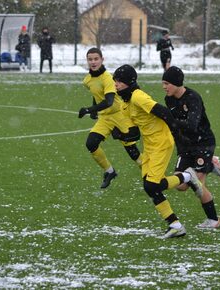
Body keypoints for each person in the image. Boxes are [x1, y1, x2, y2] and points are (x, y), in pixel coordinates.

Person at [112, 64, 203, 239]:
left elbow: (163, 113)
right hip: (150, 145)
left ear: (129, 82)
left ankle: (187, 177)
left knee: (151, 186)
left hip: (161, 142)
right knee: (150, 186)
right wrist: (119, 133)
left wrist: (177, 132)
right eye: (115, 81)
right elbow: (135, 132)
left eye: (120, 81)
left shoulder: (138, 97)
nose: (116, 84)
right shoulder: (125, 102)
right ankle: (175, 225)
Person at [161, 66, 220, 228]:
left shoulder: (193, 98)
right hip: (185, 146)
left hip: (203, 143)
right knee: (180, 185)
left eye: (167, 83)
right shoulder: (169, 100)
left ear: (177, 83)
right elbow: (175, 127)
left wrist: (169, 120)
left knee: (197, 185)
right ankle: (211, 165)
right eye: (163, 83)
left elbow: (191, 125)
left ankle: (213, 220)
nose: (164, 87)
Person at [78, 48, 143, 189]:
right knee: (91, 144)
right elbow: (96, 94)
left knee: (132, 151)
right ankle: (109, 171)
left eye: (96, 59)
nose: (93, 62)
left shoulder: (108, 78)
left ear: (102, 59)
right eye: (90, 59)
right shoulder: (87, 80)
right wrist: (95, 109)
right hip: (105, 118)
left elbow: (108, 101)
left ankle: (150, 175)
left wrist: (89, 109)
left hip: (119, 115)